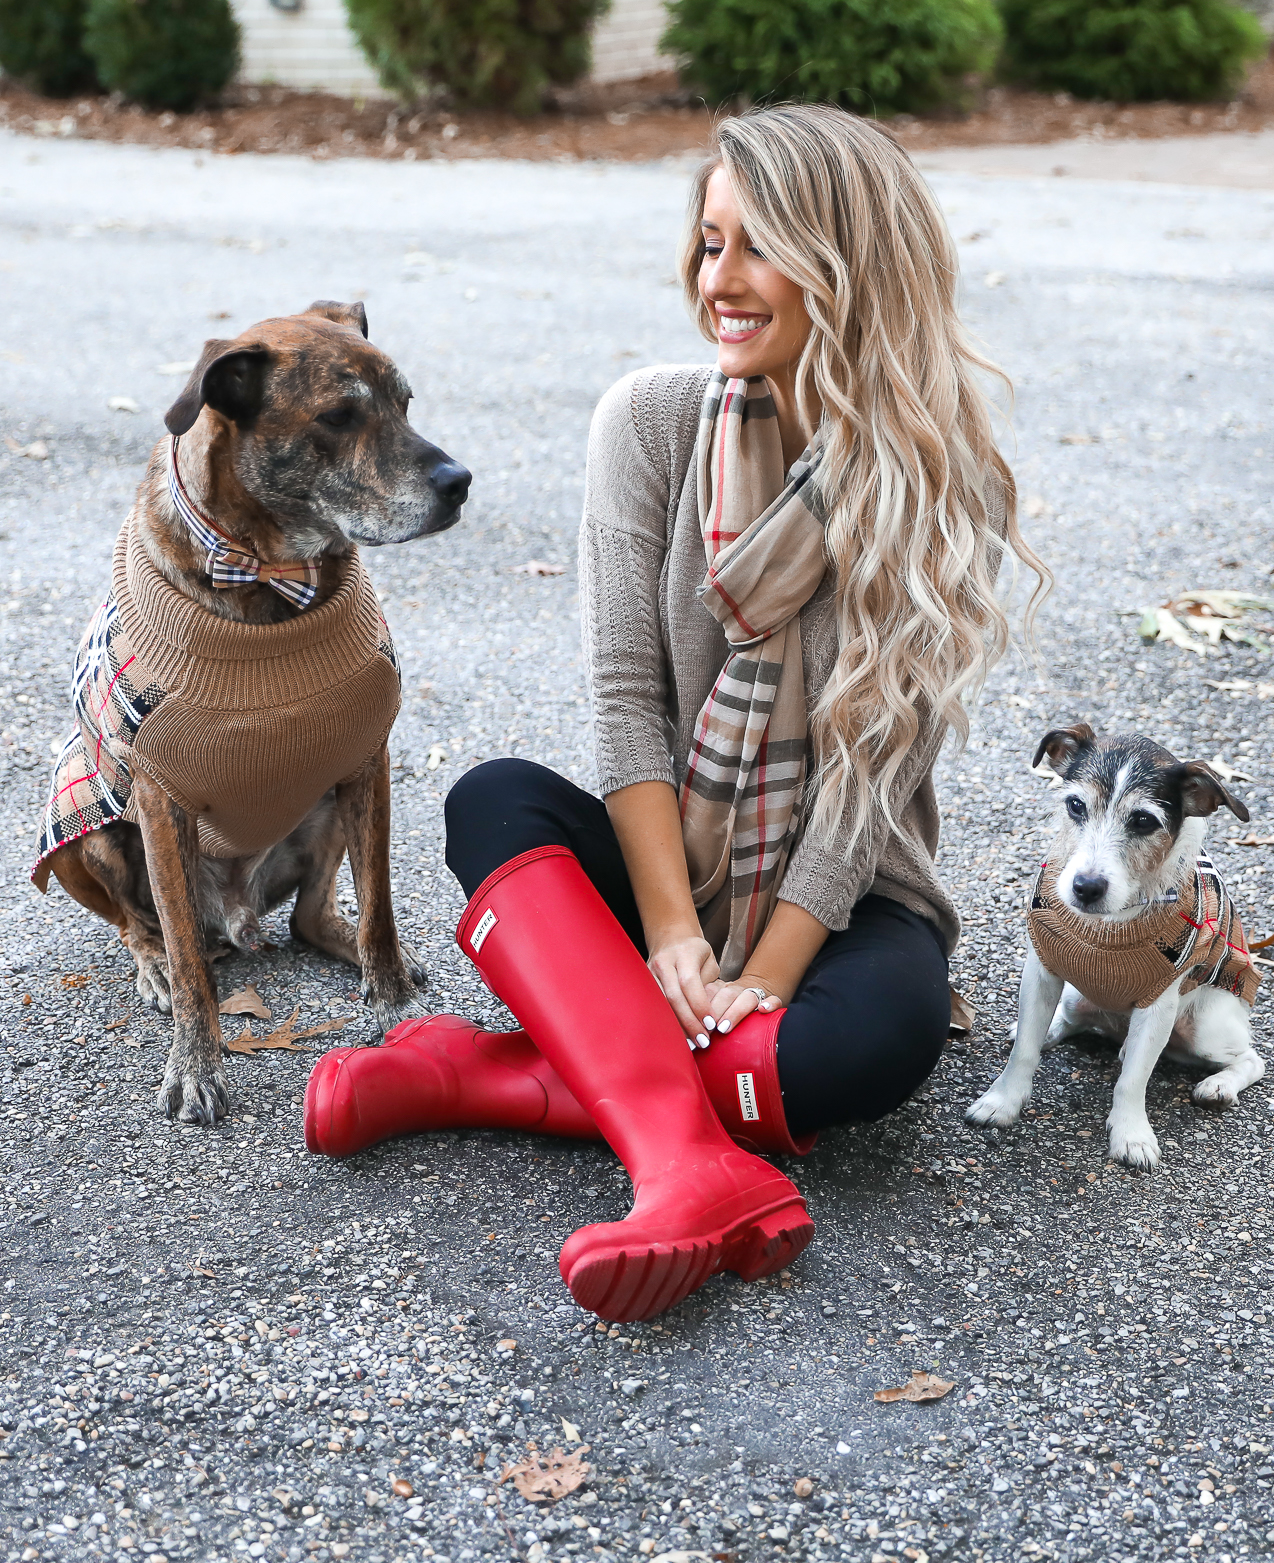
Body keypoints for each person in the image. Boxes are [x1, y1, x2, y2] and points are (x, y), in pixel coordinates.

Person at [303, 105, 1047, 1323]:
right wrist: (670, 934)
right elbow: (623, 696)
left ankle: (485, 1073)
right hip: (672, 868)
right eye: (709, 245)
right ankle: (683, 1165)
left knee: (881, 1038)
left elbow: (869, 770)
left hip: (844, 896)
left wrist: (760, 972)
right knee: (492, 796)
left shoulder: (927, 469)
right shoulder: (647, 421)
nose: (723, 281)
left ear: (848, 263)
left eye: (758, 247)